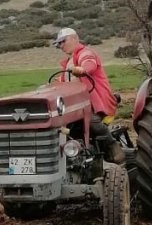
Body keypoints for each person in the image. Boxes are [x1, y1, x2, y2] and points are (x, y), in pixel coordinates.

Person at [52, 28, 125, 164]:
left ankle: (112, 145)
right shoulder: (68, 62)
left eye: (63, 42)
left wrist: (83, 70)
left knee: (91, 121)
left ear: (74, 39)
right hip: (75, 105)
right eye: (59, 44)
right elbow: (63, 82)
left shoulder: (85, 53)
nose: (61, 46)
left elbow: (89, 63)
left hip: (95, 102)